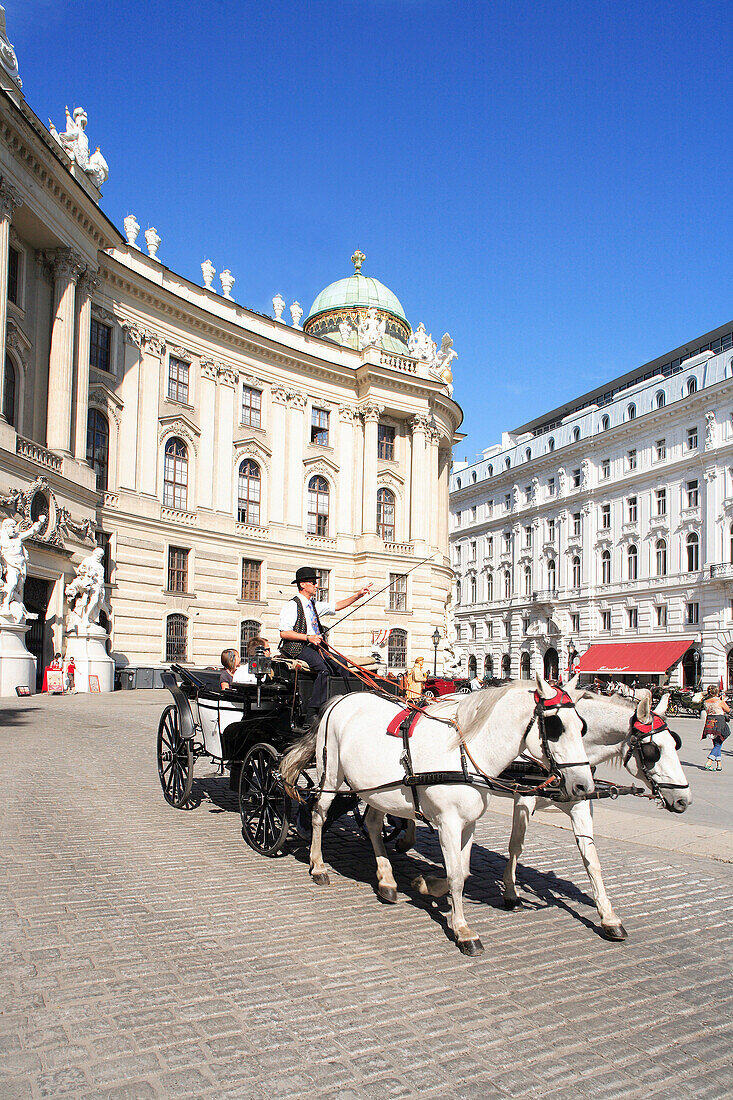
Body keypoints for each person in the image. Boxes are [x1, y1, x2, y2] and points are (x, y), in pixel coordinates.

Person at [279, 567, 371, 719]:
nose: (316, 585)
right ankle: (313, 710)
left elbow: (336, 606)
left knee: (341, 663)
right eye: (313, 582)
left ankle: (343, 704)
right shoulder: (292, 605)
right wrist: (308, 637)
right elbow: (284, 633)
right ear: (302, 585)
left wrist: (358, 595)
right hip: (297, 647)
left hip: (314, 646)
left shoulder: (313, 605)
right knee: (323, 669)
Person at [702, 684, 730, 771]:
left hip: (710, 722)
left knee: (716, 743)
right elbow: (728, 709)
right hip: (719, 721)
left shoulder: (706, 702)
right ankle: (709, 761)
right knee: (725, 735)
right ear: (717, 692)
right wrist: (723, 700)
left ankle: (719, 763)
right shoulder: (719, 701)